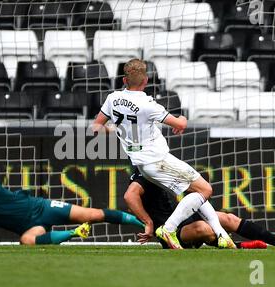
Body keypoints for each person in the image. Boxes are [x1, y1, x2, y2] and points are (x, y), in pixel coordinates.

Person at [92, 58, 234, 249]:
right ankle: (169, 228)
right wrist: (182, 117)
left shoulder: (112, 99)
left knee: (195, 191)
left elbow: (95, 127)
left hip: (143, 165)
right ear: (146, 81)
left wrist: (117, 130)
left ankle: (222, 235)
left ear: (125, 80)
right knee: (205, 189)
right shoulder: (148, 105)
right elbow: (180, 124)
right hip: (158, 160)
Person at [0, 159, 144, 245]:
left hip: (42, 208)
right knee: (27, 240)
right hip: (30, 226)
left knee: (94, 214)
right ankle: (76, 233)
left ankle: (144, 225)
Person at [125, 168, 275, 249]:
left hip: (181, 219)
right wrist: (148, 222)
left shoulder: (164, 167)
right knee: (205, 229)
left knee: (227, 218)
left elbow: (197, 196)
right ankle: (241, 246)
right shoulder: (145, 173)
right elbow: (129, 196)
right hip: (168, 231)